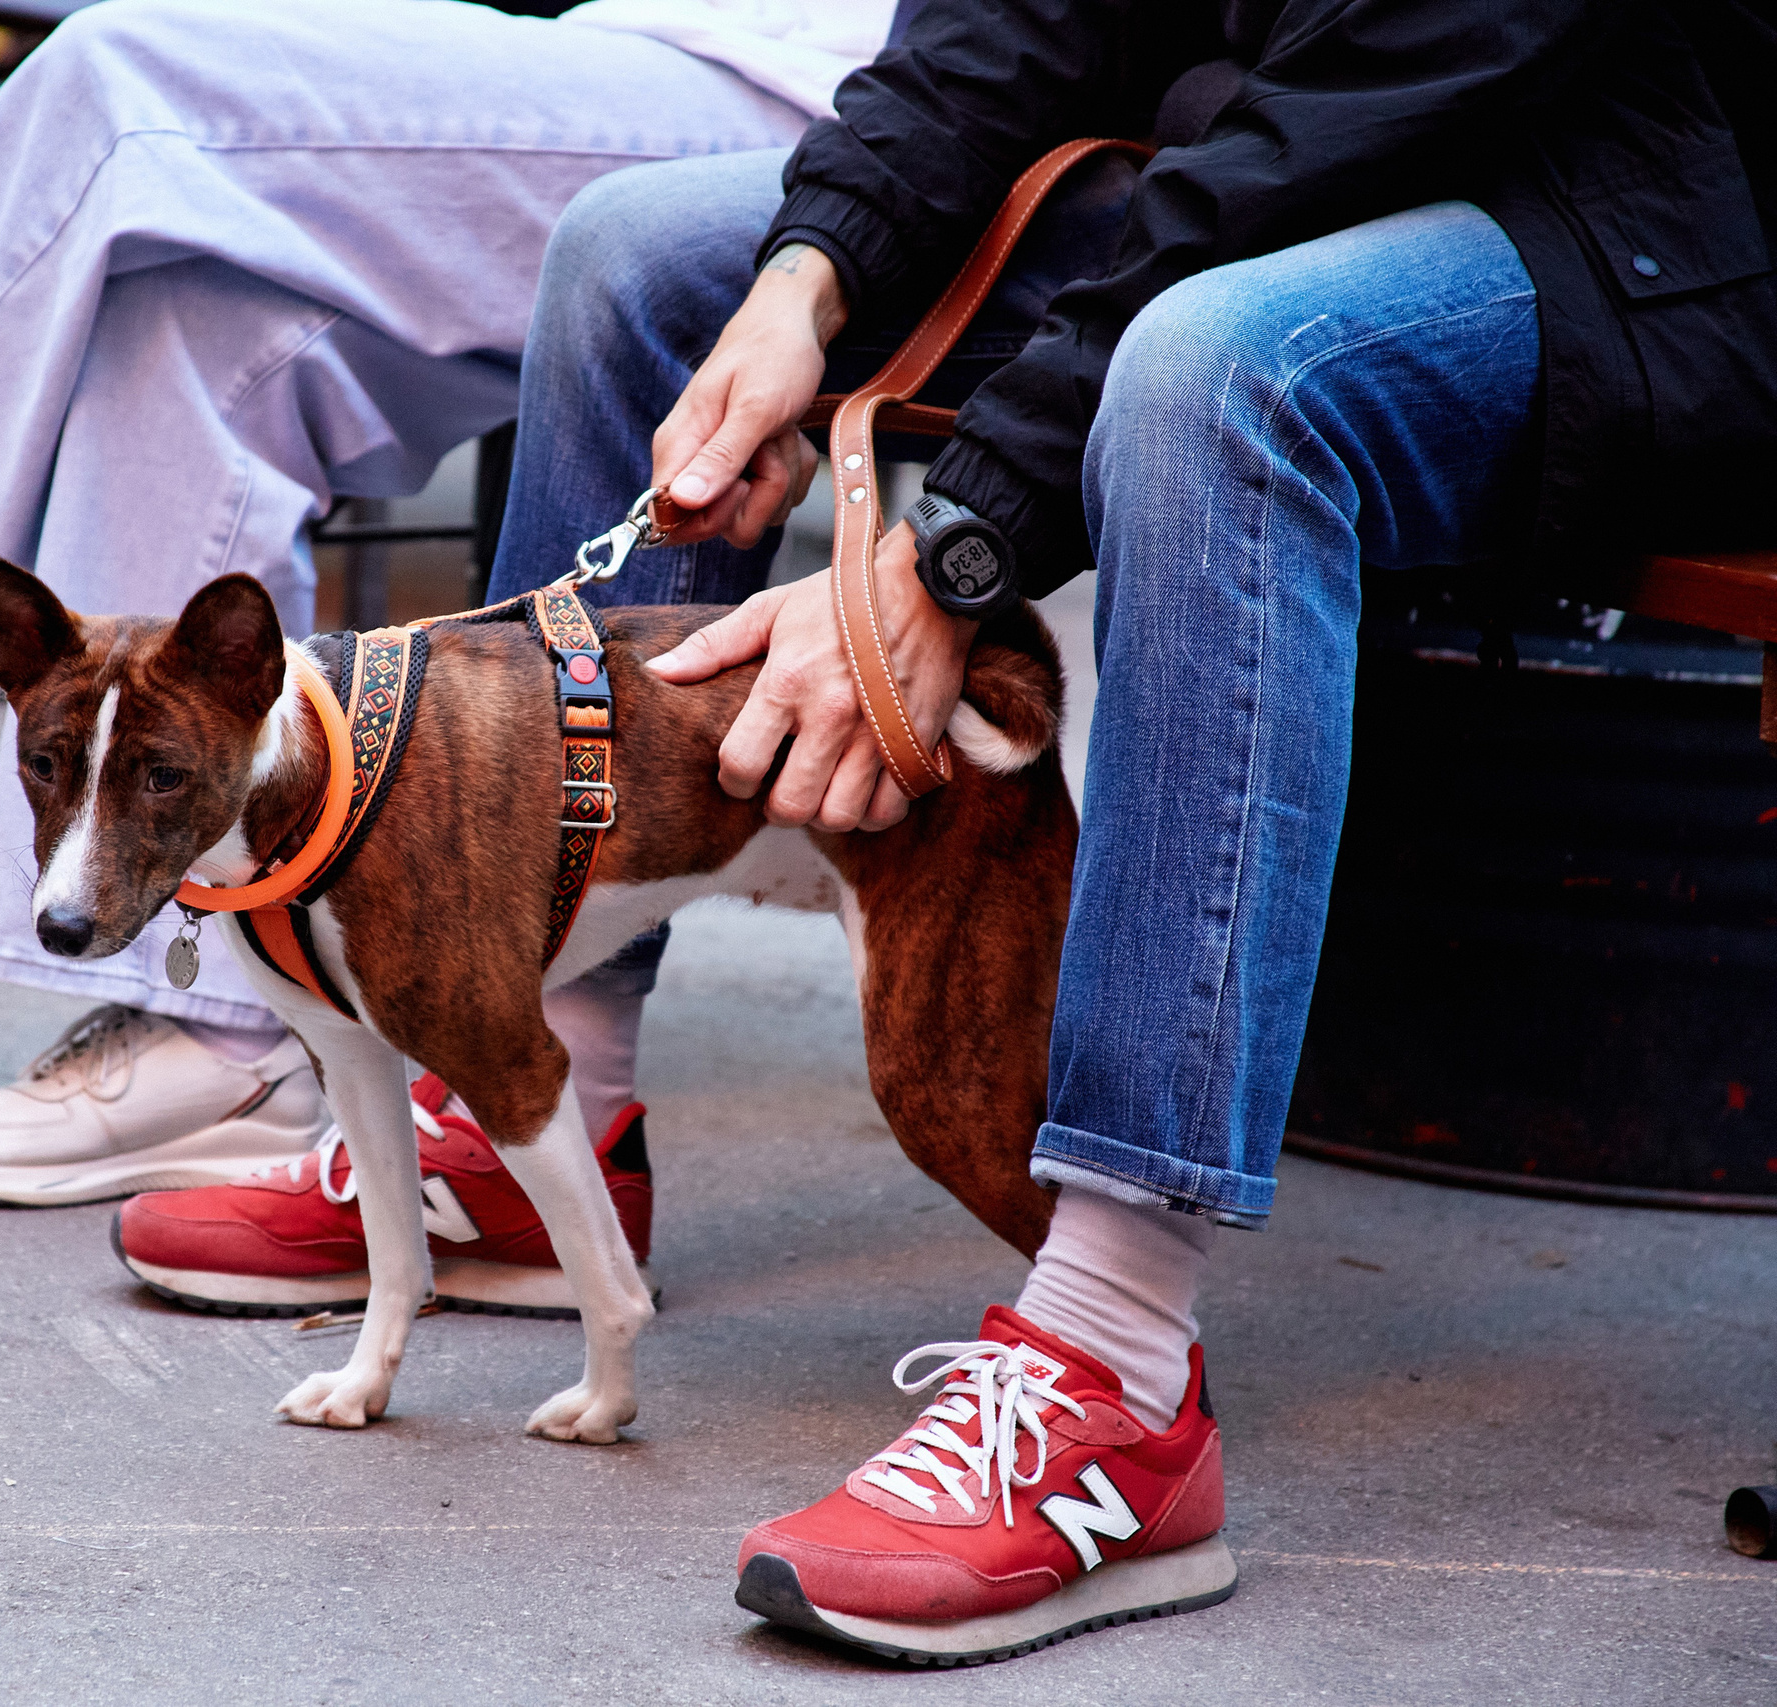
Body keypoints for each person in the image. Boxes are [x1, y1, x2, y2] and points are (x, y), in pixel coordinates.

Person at [109, 0, 1777, 1661]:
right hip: (1232, 169)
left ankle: (1115, 1363)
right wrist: (810, 276)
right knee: (642, 261)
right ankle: (542, 1103)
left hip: (1634, 211)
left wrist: (947, 545)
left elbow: (1390, 82)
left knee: (1210, 377)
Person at [0, 0, 901, 1206]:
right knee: (195, 322)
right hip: (657, 37)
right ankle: (232, 1025)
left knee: (118, 92)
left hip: (829, 77)